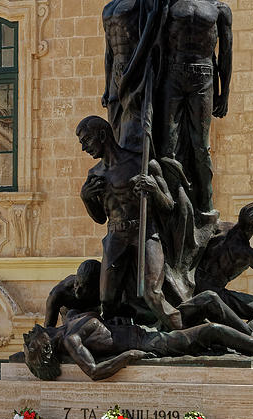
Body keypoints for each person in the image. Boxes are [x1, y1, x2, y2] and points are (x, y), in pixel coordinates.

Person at [76, 115, 182, 330]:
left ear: (102, 135)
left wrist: (153, 189)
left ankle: (186, 334)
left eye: (86, 141)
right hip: (115, 235)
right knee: (107, 300)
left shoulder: (141, 163)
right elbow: (99, 218)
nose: (84, 148)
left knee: (152, 292)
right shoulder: (95, 174)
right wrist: (86, 198)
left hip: (144, 232)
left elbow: (169, 206)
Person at [23, 301, 253, 382]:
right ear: (46, 346)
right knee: (212, 330)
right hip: (152, 342)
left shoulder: (68, 317)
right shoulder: (72, 339)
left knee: (208, 300)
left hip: (147, 324)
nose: (29, 333)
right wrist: (128, 357)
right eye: (30, 341)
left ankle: (249, 343)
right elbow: (94, 372)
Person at [159, 0, 232, 213]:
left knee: (201, 148)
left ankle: (205, 205)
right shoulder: (168, 4)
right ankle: (170, 206)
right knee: (168, 145)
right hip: (172, 76)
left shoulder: (217, 8)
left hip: (203, 77)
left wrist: (224, 93)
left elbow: (226, 54)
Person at [195, 202, 253, 336]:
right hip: (214, 295)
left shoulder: (219, 226)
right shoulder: (247, 254)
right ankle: (236, 342)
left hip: (194, 285)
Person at [101, 0, 150, 152]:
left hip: (136, 69)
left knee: (133, 134)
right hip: (115, 75)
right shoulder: (110, 6)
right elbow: (109, 51)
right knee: (116, 131)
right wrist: (106, 86)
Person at [44, 259, 101, 327]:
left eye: (83, 287)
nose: (77, 291)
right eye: (76, 283)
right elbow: (48, 329)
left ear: (95, 288)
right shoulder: (60, 293)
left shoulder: (104, 293)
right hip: (70, 328)